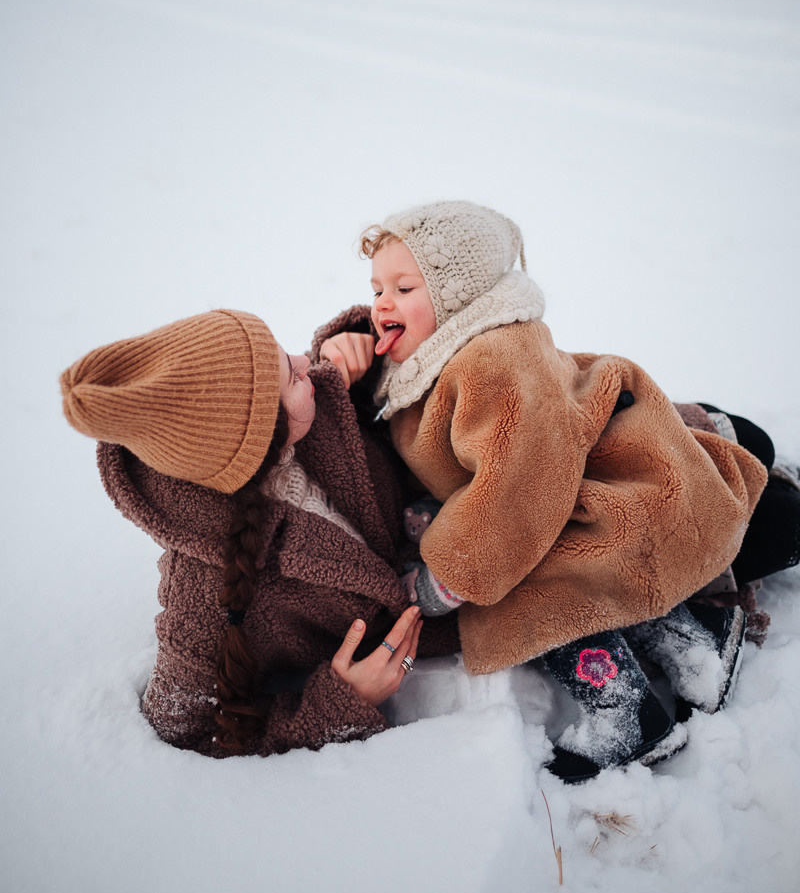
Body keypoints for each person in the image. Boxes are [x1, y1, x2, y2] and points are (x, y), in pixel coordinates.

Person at [318, 201, 800, 781]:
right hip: (577, 490)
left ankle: (626, 713)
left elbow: (515, 492)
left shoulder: (493, 361)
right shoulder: (425, 365)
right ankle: (694, 639)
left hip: (628, 493)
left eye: (403, 288)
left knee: (526, 586)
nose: (381, 304)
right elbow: (467, 463)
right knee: (520, 559)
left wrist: (443, 580)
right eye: (376, 289)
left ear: (457, 298)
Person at [60, 308, 459, 758]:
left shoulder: (302, 421)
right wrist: (339, 701)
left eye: (287, 355)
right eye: (291, 374)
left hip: (450, 531)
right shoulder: (206, 595)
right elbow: (185, 731)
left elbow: (348, 405)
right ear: (261, 439)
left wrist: (351, 349)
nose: (306, 364)